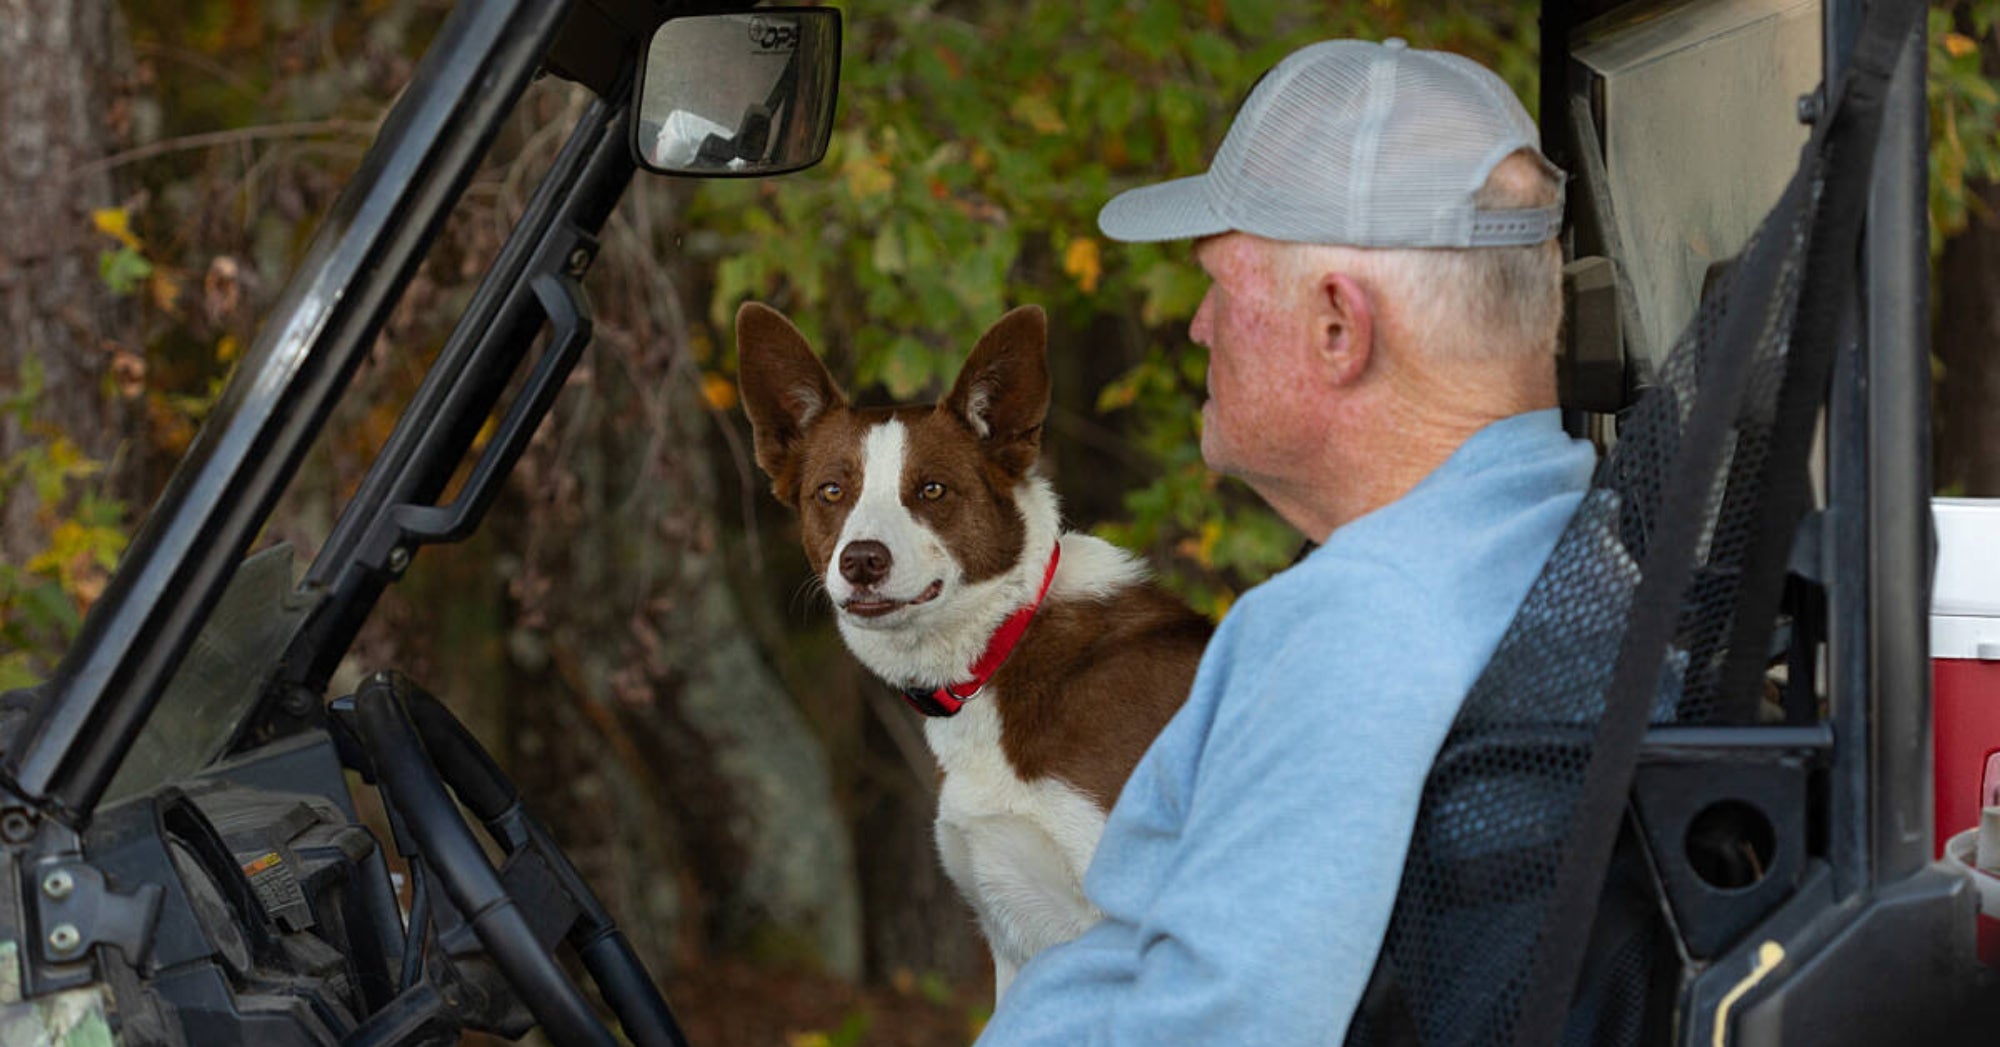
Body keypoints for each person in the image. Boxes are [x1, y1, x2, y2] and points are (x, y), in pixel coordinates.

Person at [975, 38, 1599, 1045]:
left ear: (1336, 329)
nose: (1198, 327)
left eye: (1223, 282)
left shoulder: (1361, 626)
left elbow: (1218, 1029)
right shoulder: (1547, 534)